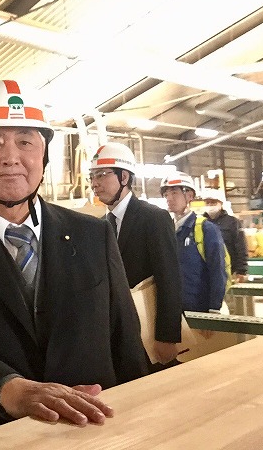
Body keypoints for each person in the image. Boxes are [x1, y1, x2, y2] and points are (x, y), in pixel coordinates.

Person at [0, 79, 147, 447]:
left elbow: (124, 334)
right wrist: (11, 390)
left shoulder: (93, 234)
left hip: (91, 428)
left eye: (25, 142)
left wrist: (142, 417)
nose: (10, 157)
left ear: (44, 155)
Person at [89, 142, 182, 371]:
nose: (94, 184)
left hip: (149, 333)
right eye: (92, 176)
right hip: (114, 337)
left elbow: (169, 279)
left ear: (124, 177)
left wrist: (167, 336)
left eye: (101, 175)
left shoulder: (154, 218)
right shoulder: (99, 226)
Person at [161, 172, 227, 312]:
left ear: (189, 195)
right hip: (173, 309)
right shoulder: (166, 229)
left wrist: (214, 308)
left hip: (198, 309)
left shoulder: (206, 229)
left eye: (174, 193)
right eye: (166, 194)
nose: (169, 198)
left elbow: (218, 270)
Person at [202, 188, 249, 283]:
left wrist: (241, 270)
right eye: (207, 203)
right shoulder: (201, 223)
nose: (210, 205)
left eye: (213, 202)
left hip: (229, 271)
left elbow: (241, 246)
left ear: (221, 204)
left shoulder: (232, 222)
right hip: (206, 272)